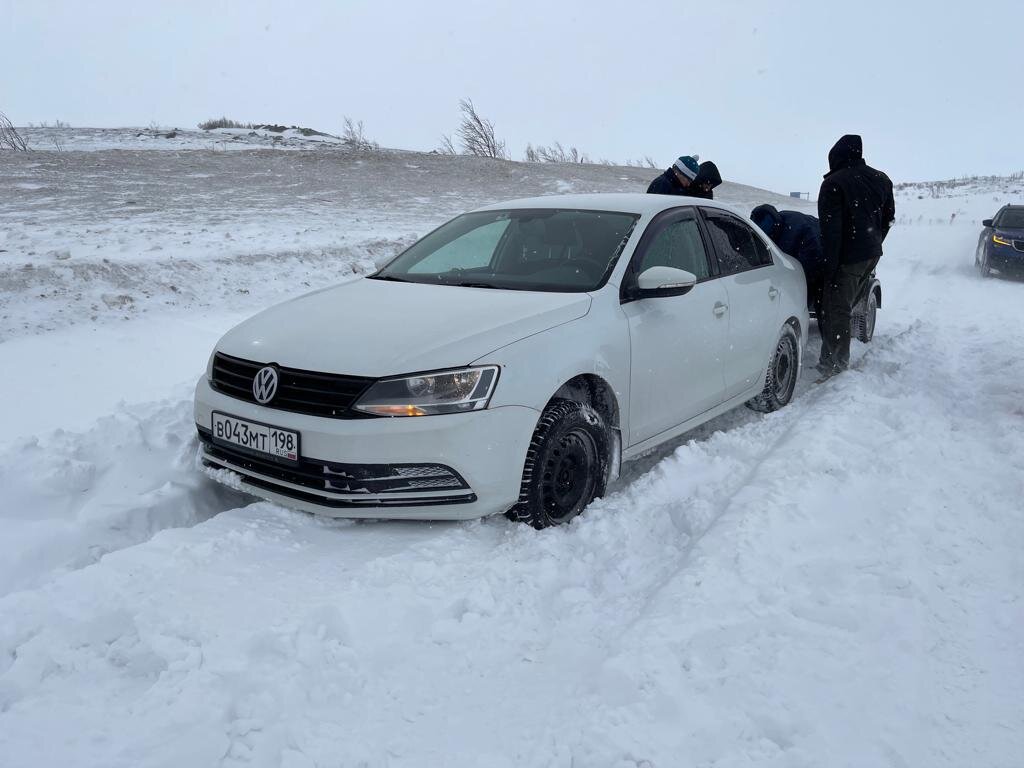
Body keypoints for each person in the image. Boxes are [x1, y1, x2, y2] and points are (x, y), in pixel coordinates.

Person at [816, 134, 895, 377]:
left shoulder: (834, 184)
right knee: (843, 306)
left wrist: (828, 269)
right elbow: (888, 219)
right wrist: (873, 242)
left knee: (835, 308)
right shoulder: (881, 179)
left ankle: (836, 367)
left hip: (847, 257)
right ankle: (828, 360)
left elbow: (831, 231)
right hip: (871, 253)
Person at [750, 203, 826, 314]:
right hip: (810, 251)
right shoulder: (768, 226)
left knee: (817, 298)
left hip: (823, 255)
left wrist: (796, 283)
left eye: (769, 235)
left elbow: (811, 262)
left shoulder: (797, 231)